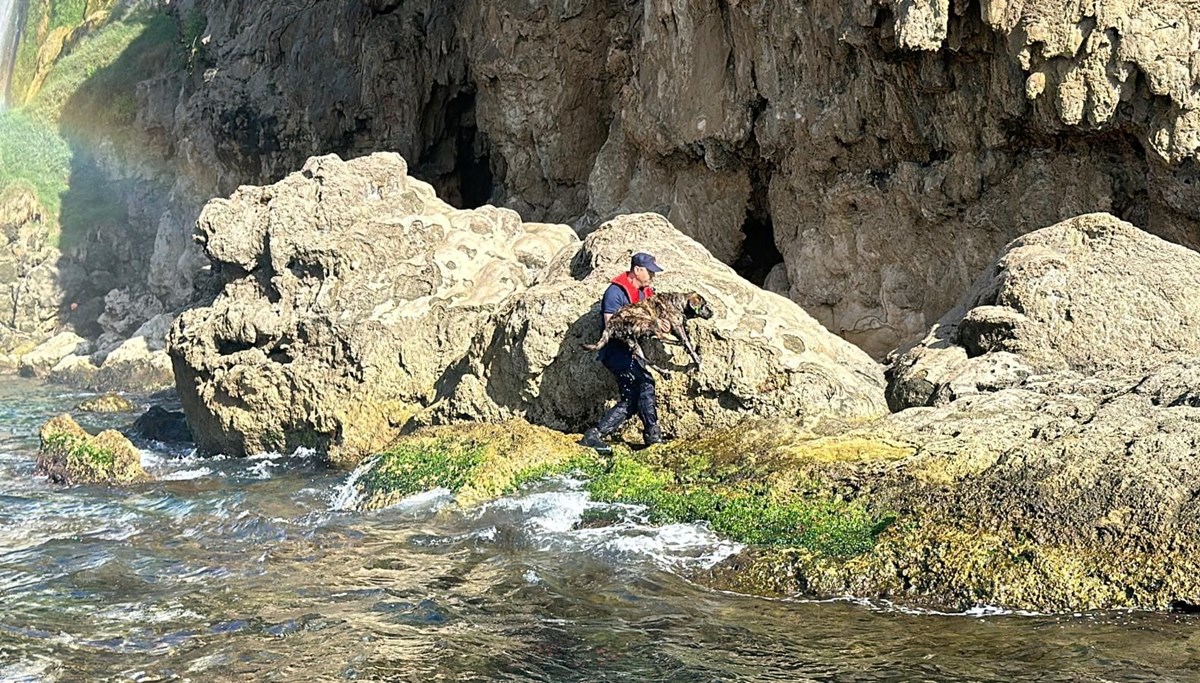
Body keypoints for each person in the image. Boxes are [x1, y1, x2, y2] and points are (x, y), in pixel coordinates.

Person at [580, 252, 664, 454]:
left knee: (633, 398)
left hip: (635, 351)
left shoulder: (646, 293)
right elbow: (612, 326)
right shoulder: (614, 293)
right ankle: (653, 436)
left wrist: (662, 328)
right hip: (615, 351)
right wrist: (646, 327)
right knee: (644, 384)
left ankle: (595, 435)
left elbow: (655, 322)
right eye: (649, 272)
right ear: (637, 270)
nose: (652, 276)